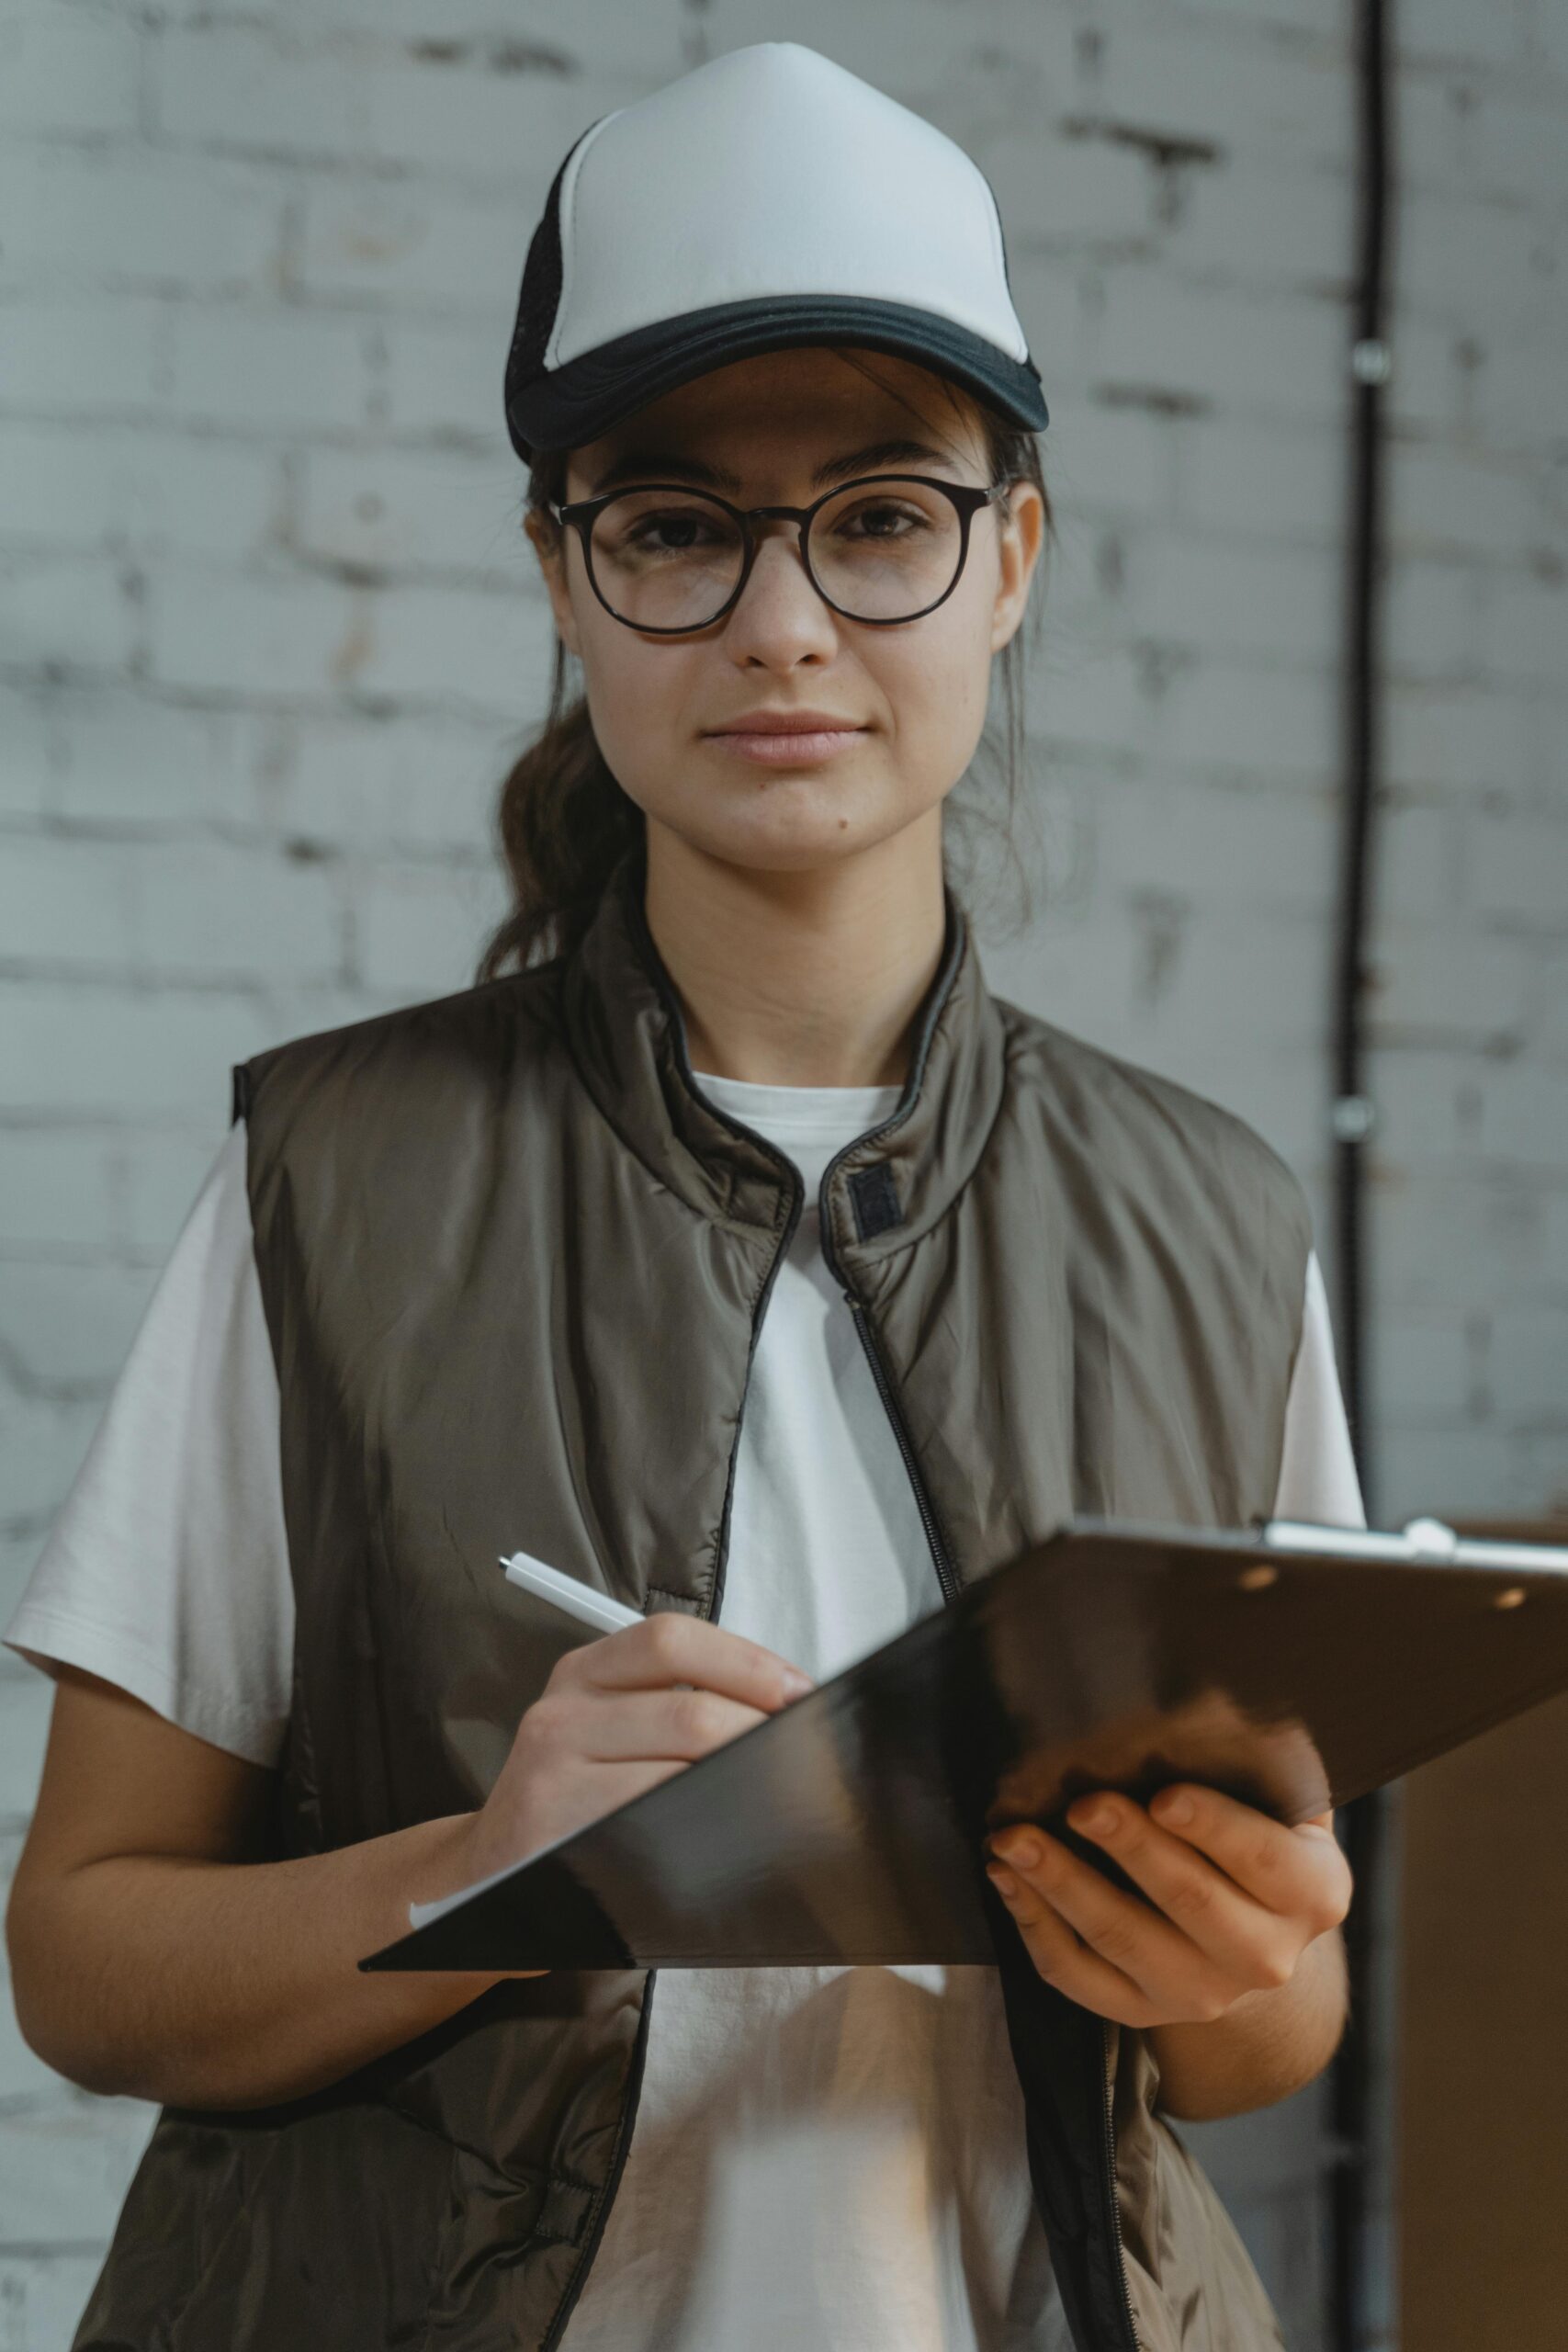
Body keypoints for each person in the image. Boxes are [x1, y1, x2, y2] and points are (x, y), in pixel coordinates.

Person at [4, 41, 1358, 2352]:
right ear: (563, 569)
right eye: (671, 523)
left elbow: (1262, 2030)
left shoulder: (1207, 1220)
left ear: (1005, 555)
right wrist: (488, 1866)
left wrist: (1237, 1961)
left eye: (878, 513)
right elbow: (85, 1953)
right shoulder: (332, 1179)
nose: (781, 618)